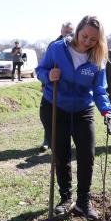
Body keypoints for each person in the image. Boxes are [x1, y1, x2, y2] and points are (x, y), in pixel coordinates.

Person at [36, 16, 111, 221]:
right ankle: (65, 198)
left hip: (82, 109)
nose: (87, 42)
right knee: (61, 154)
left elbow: (99, 89)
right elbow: (40, 70)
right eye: (85, 36)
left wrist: (106, 110)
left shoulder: (98, 57)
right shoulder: (57, 48)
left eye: (93, 39)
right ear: (77, 31)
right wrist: (48, 76)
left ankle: (82, 202)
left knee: (87, 156)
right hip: (55, 106)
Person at [39, 22, 75, 152]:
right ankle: (47, 140)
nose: (68, 34)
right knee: (50, 115)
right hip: (53, 86)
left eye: (71, 31)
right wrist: (44, 83)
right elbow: (45, 67)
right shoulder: (54, 45)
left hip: (69, 89)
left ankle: (67, 140)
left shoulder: (76, 46)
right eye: (66, 31)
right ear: (61, 31)